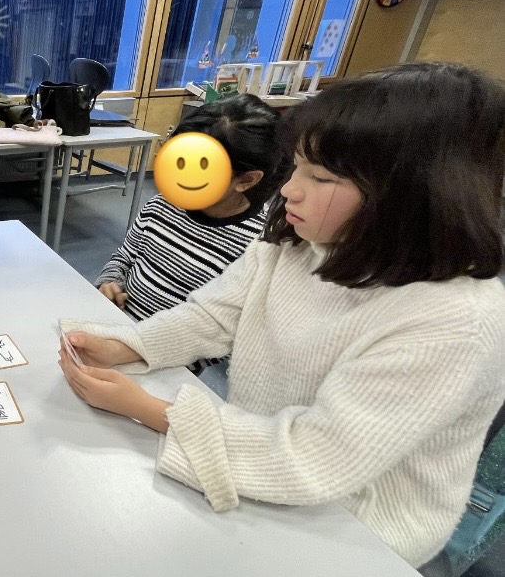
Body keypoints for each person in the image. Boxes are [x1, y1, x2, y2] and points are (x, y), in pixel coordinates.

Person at [58, 62, 505, 568]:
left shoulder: (453, 321)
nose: (289, 189)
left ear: (411, 196)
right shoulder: (297, 243)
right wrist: (125, 345)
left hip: (357, 528)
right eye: (296, 167)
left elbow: (319, 456)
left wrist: (148, 409)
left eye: (321, 177)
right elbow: (212, 317)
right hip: (255, 458)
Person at [95, 94, 283, 323]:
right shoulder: (161, 205)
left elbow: (228, 330)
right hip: (119, 326)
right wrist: (110, 281)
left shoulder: (258, 247)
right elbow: (124, 256)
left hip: (169, 345)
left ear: (246, 180)